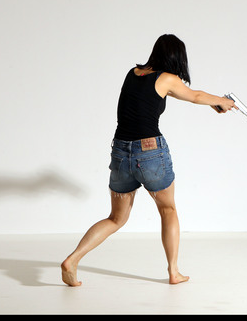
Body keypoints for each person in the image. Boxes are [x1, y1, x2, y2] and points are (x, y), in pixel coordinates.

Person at [61, 34, 236, 286]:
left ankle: (73, 259)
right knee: (168, 210)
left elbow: (162, 96)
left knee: (115, 219)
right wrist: (223, 101)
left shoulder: (133, 73)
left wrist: (213, 103)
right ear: (177, 57)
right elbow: (194, 95)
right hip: (150, 152)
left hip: (120, 152)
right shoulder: (167, 79)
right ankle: (174, 272)